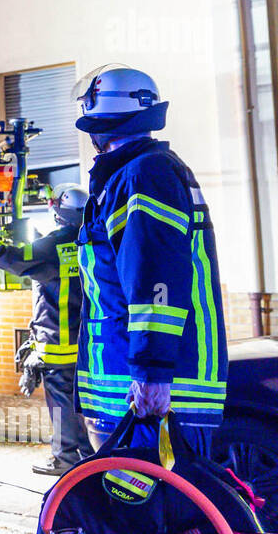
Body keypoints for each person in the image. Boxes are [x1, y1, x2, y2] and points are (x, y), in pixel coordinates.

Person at [71, 65, 226, 455]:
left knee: (148, 511)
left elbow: (154, 277)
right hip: (130, 389)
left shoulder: (144, 175)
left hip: (147, 396)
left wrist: (151, 374)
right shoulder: (135, 174)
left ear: (98, 113)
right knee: (137, 509)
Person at [0, 184, 93, 475]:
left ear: (58, 211)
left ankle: (65, 460)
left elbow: (9, 259)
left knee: (61, 405)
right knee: (83, 403)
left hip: (57, 342)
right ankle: (88, 457)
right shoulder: (91, 240)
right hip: (87, 344)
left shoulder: (53, 245)